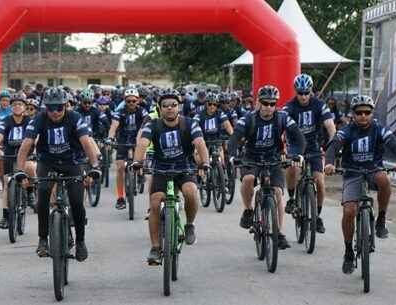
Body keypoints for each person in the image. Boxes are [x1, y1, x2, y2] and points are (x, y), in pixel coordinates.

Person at [324, 95, 396, 274]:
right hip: (352, 173)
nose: (363, 116)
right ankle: (348, 251)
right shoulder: (347, 130)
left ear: (371, 113)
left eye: (367, 112)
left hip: (373, 170)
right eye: (359, 112)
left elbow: (393, 142)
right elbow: (333, 145)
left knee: (385, 180)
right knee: (349, 211)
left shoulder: (378, 128)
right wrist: (329, 163)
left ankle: (381, 219)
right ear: (353, 114)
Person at [15, 87, 101, 261]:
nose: (54, 112)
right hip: (47, 162)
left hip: (73, 162)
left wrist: (94, 166)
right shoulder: (39, 119)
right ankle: (42, 240)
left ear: (65, 106)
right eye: (50, 108)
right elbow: (26, 145)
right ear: (45, 108)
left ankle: (81, 241)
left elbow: (86, 143)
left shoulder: (75, 118)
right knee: (43, 196)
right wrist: (20, 171)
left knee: (77, 202)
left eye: (59, 108)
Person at [131, 88, 209, 264]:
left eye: (173, 105)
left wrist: (205, 162)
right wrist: (137, 162)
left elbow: (200, 143)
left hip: (185, 167)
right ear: (159, 108)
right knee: (155, 201)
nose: (170, 108)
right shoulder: (153, 124)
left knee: (190, 191)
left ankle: (189, 225)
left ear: (179, 107)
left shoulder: (190, 123)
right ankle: (156, 248)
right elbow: (143, 143)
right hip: (161, 169)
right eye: (165, 105)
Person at [228, 85, 306, 250]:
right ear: (259, 102)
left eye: (272, 104)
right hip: (251, 158)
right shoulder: (248, 118)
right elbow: (234, 138)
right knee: (248, 179)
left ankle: (278, 233)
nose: (269, 107)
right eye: (265, 103)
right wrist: (232, 156)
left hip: (274, 158)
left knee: (277, 192)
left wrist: (297, 154)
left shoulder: (283, 117)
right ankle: (248, 210)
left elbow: (298, 137)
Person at [282, 74, 337, 234]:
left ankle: (317, 216)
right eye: (300, 93)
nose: (304, 96)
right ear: (296, 92)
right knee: (293, 168)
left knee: (319, 182)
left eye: (307, 92)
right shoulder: (289, 106)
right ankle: (292, 199)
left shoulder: (320, 105)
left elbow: (330, 126)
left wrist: (334, 145)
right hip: (295, 146)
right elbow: (280, 125)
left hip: (313, 146)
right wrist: (281, 148)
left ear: (311, 91)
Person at [0, 97, 35, 229]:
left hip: (27, 155)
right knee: (7, 182)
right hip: (9, 155)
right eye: (14, 104)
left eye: (20, 104)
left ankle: (31, 192)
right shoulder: (5, 121)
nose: (17, 106)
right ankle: (6, 216)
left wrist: (37, 149)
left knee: (30, 167)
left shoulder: (30, 121)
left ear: (25, 107)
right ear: (11, 107)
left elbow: (35, 138)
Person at [107, 88, 150, 210]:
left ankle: (140, 172)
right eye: (128, 101)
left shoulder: (142, 112)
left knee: (142, 152)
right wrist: (110, 137)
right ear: (125, 101)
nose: (131, 103)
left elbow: (147, 125)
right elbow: (114, 126)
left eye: (134, 101)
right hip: (123, 141)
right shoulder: (119, 112)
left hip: (138, 139)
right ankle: (120, 198)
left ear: (138, 101)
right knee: (120, 168)